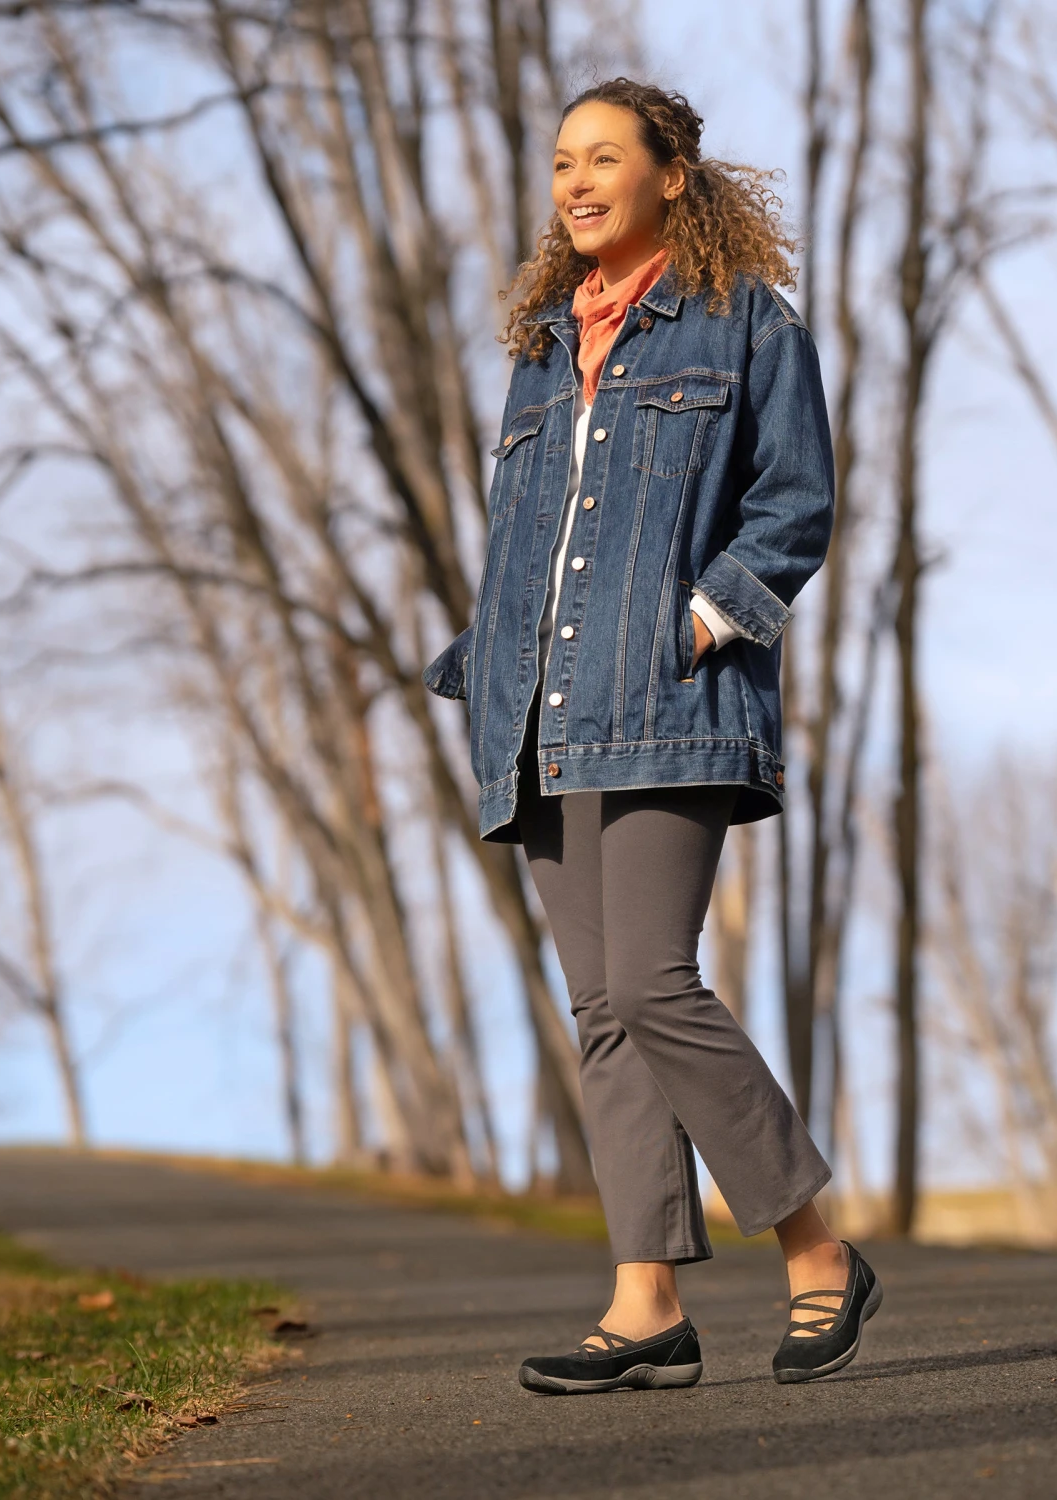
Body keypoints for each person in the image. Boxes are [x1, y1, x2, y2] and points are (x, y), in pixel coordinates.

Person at [423, 77, 882, 1395]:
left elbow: (794, 504)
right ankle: (644, 1304)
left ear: (670, 174)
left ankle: (817, 1249)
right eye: (561, 159)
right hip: (535, 717)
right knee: (600, 1012)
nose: (574, 181)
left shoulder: (744, 327)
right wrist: (484, 662)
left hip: (673, 705)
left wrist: (707, 617)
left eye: (603, 157)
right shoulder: (534, 350)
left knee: (650, 986)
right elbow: (524, 543)